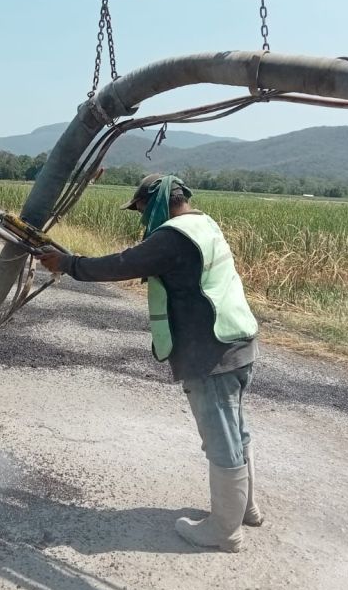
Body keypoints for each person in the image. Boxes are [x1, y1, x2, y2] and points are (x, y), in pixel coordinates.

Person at [38, 173, 263, 553]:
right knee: (236, 431)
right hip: (238, 341)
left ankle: (225, 530)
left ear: (155, 202)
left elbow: (123, 263)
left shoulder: (174, 237)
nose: (142, 220)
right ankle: (246, 509)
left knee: (221, 438)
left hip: (211, 353)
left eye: (142, 210)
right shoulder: (204, 224)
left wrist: (69, 264)